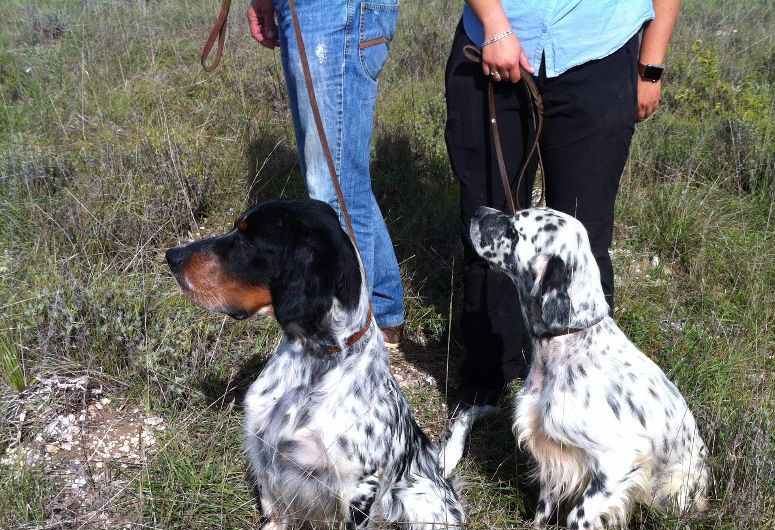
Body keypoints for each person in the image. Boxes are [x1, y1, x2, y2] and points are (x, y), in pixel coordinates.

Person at [445, 0, 680, 409]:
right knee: (491, 233)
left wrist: (650, 66)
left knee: (585, 238)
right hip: (494, 49)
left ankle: (586, 394)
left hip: (599, 52)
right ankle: (486, 382)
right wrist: (495, 24)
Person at [247, 0, 405, 346]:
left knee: (332, 188)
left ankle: (352, 337)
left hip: (332, 10)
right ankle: (384, 309)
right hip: (310, 10)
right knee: (340, 178)